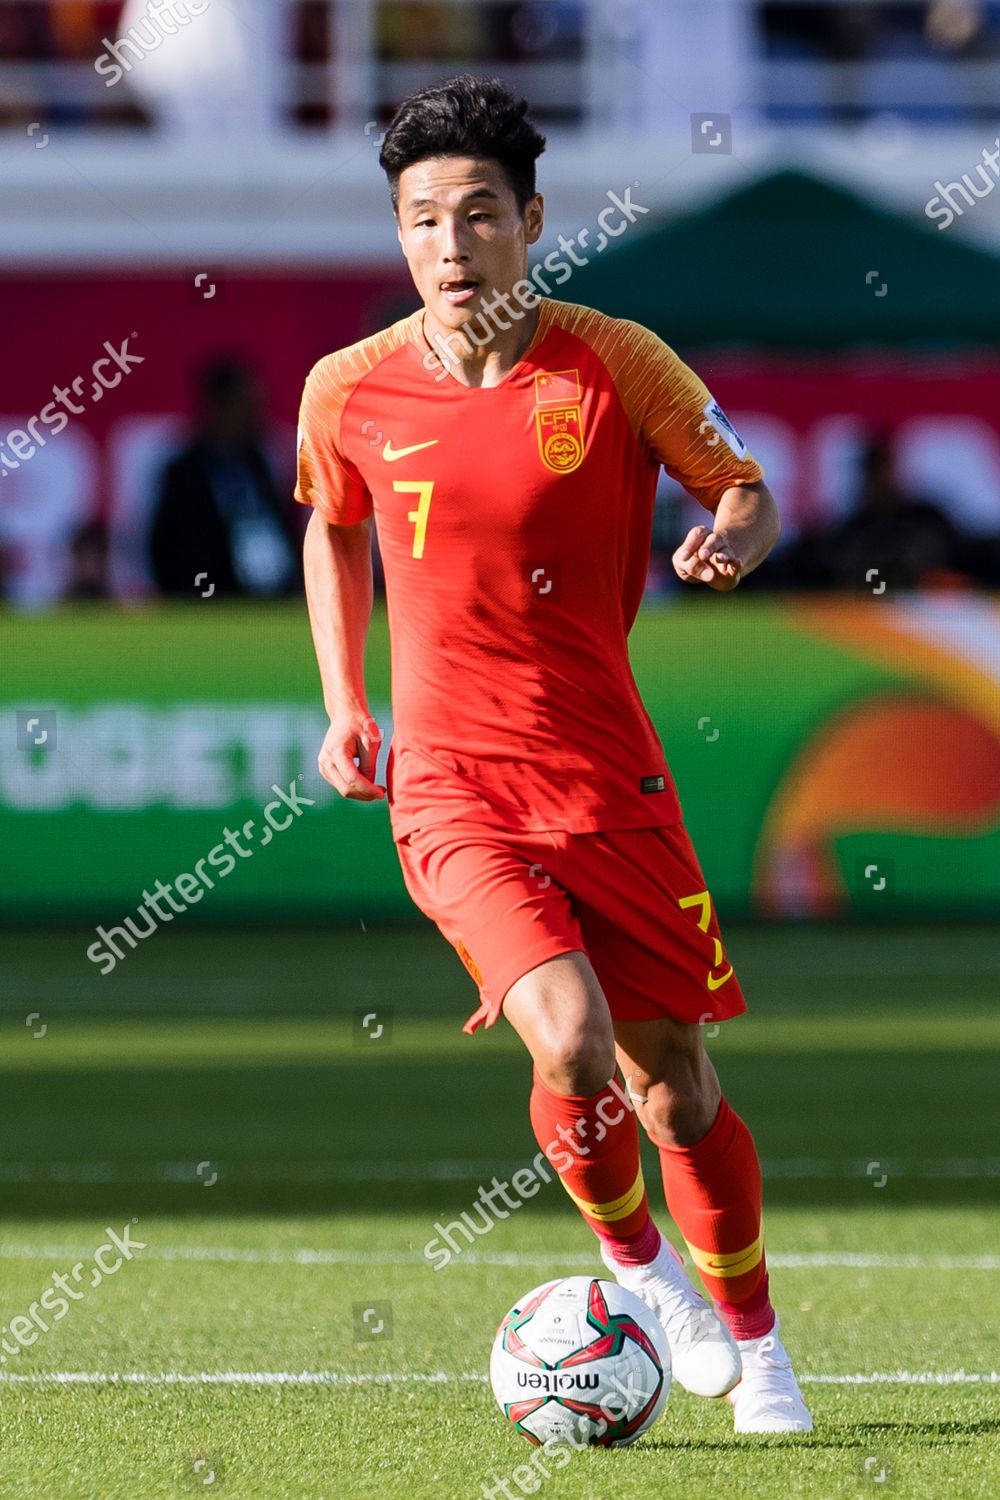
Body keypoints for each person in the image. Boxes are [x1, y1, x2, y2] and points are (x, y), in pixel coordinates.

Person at [297, 75, 811, 1434]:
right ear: (397, 235)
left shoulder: (614, 360)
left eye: (478, 216)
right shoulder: (348, 389)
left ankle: (759, 1345)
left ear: (531, 220)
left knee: (674, 1088)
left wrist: (727, 542)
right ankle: (637, 1270)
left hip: (608, 779)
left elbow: (747, 490)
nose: (449, 247)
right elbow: (332, 526)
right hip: (452, 785)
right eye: (421, 222)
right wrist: (345, 696)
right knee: (570, 1042)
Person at [150, 359, 299, 599]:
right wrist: (201, 593)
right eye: (246, 405)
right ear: (217, 406)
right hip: (215, 602)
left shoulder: (262, 464)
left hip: (278, 602)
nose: (256, 415)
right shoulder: (185, 473)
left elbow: (282, 532)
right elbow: (166, 550)